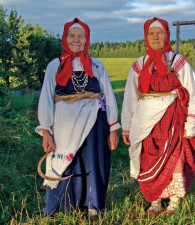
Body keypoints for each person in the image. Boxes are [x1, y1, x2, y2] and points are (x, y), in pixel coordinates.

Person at [121, 17, 195, 216]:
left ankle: (174, 201)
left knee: (175, 158)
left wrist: (191, 121)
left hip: (173, 119)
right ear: (146, 37)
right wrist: (128, 126)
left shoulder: (178, 62)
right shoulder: (139, 64)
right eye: (151, 33)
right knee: (149, 159)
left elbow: (193, 92)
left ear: (166, 35)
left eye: (159, 32)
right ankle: (155, 200)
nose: (155, 37)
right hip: (146, 122)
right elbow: (130, 98)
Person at [35, 18, 120, 218]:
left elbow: (108, 96)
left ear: (87, 39)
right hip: (64, 123)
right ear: (65, 39)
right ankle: (63, 205)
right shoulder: (55, 66)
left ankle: (93, 206)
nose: (76, 40)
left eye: (80, 36)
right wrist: (46, 130)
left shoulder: (97, 66)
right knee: (64, 161)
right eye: (71, 36)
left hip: (94, 122)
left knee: (93, 163)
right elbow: (46, 98)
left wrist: (113, 128)